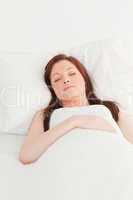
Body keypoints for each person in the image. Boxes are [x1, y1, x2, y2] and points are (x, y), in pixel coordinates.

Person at [19, 54, 133, 165]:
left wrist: (85, 122)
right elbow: (27, 155)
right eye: (57, 79)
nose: (66, 80)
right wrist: (73, 121)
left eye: (72, 73)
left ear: (84, 78)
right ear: (52, 89)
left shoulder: (110, 108)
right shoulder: (46, 115)